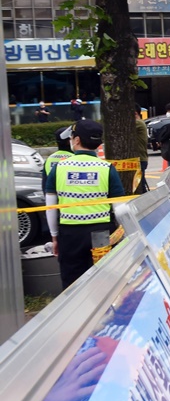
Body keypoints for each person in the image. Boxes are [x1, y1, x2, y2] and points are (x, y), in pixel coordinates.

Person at [44, 120, 125, 290]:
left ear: (77, 140)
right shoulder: (107, 168)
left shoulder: (59, 168)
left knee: (72, 282)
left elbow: (50, 206)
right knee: (104, 278)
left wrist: (54, 236)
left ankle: (77, 314)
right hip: (102, 232)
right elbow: (119, 208)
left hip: (70, 233)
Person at [133, 108, 150, 194]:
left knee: (140, 186)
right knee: (140, 184)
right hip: (141, 158)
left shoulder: (138, 123)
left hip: (140, 159)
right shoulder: (140, 123)